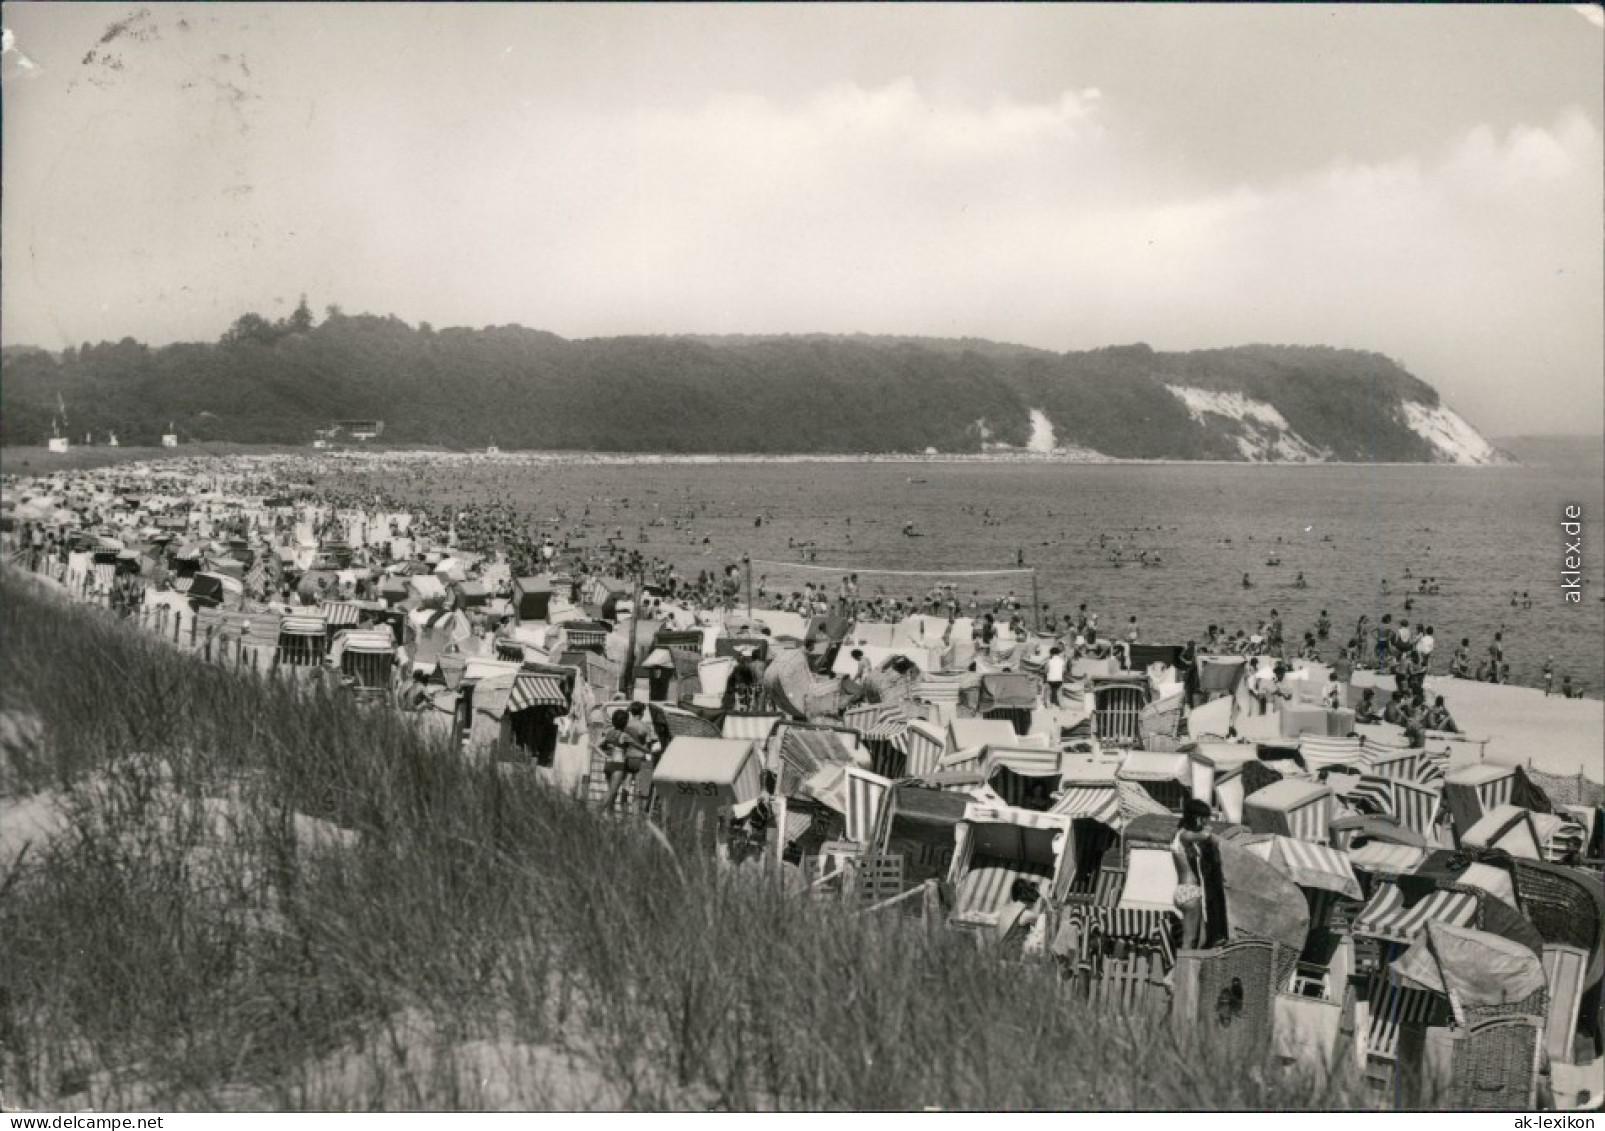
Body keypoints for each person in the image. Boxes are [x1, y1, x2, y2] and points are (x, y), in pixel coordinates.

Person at [1172, 799, 1212, 951]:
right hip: (1190, 891)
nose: (1205, 821)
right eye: (1204, 818)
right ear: (1196, 817)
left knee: (1201, 940)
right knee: (1190, 940)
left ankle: (1192, 973)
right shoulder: (1184, 835)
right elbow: (1205, 835)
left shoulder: (1180, 836)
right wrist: (1206, 829)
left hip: (1186, 890)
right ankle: (1182, 974)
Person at [601, 708, 652, 813]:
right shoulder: (624, 735)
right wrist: (650, 751)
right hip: (619, 765)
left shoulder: (609, 733)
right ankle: (596, 813)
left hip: (608, 764)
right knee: (612, 793)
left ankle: (610, 819)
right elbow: (639, 746)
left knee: (612, 793)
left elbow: (597, 745)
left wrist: (604, 754)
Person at [991, 878, 1046, 958]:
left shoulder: (1004, 908)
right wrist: (1045, 899)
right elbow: (1047, 921)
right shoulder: (1027, 914)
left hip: (998, 951)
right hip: (1012, 955)